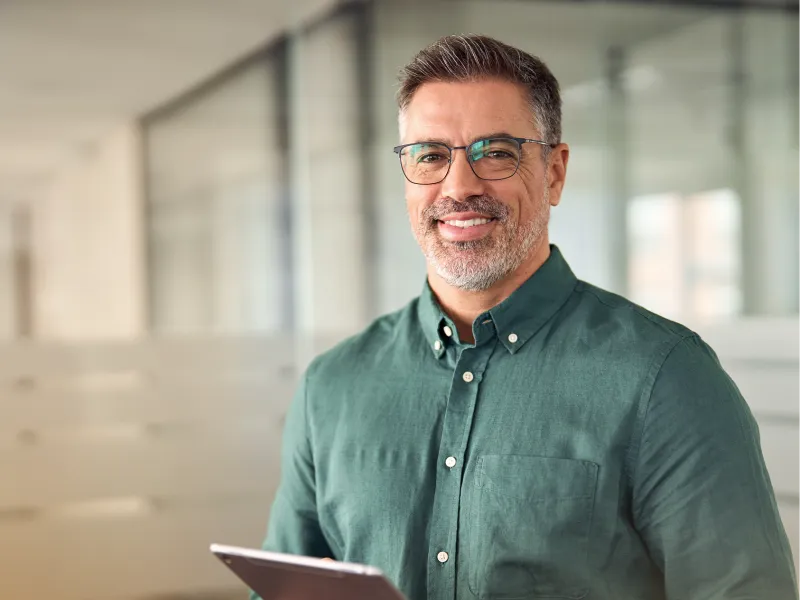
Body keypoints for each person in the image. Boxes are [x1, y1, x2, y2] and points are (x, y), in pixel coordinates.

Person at [256, 34, 798, 600]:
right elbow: (280, 589)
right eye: (430, 156)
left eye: (495, 152)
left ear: (554, 173)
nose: (459, 186)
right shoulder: (331, 387)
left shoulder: (666, 378)